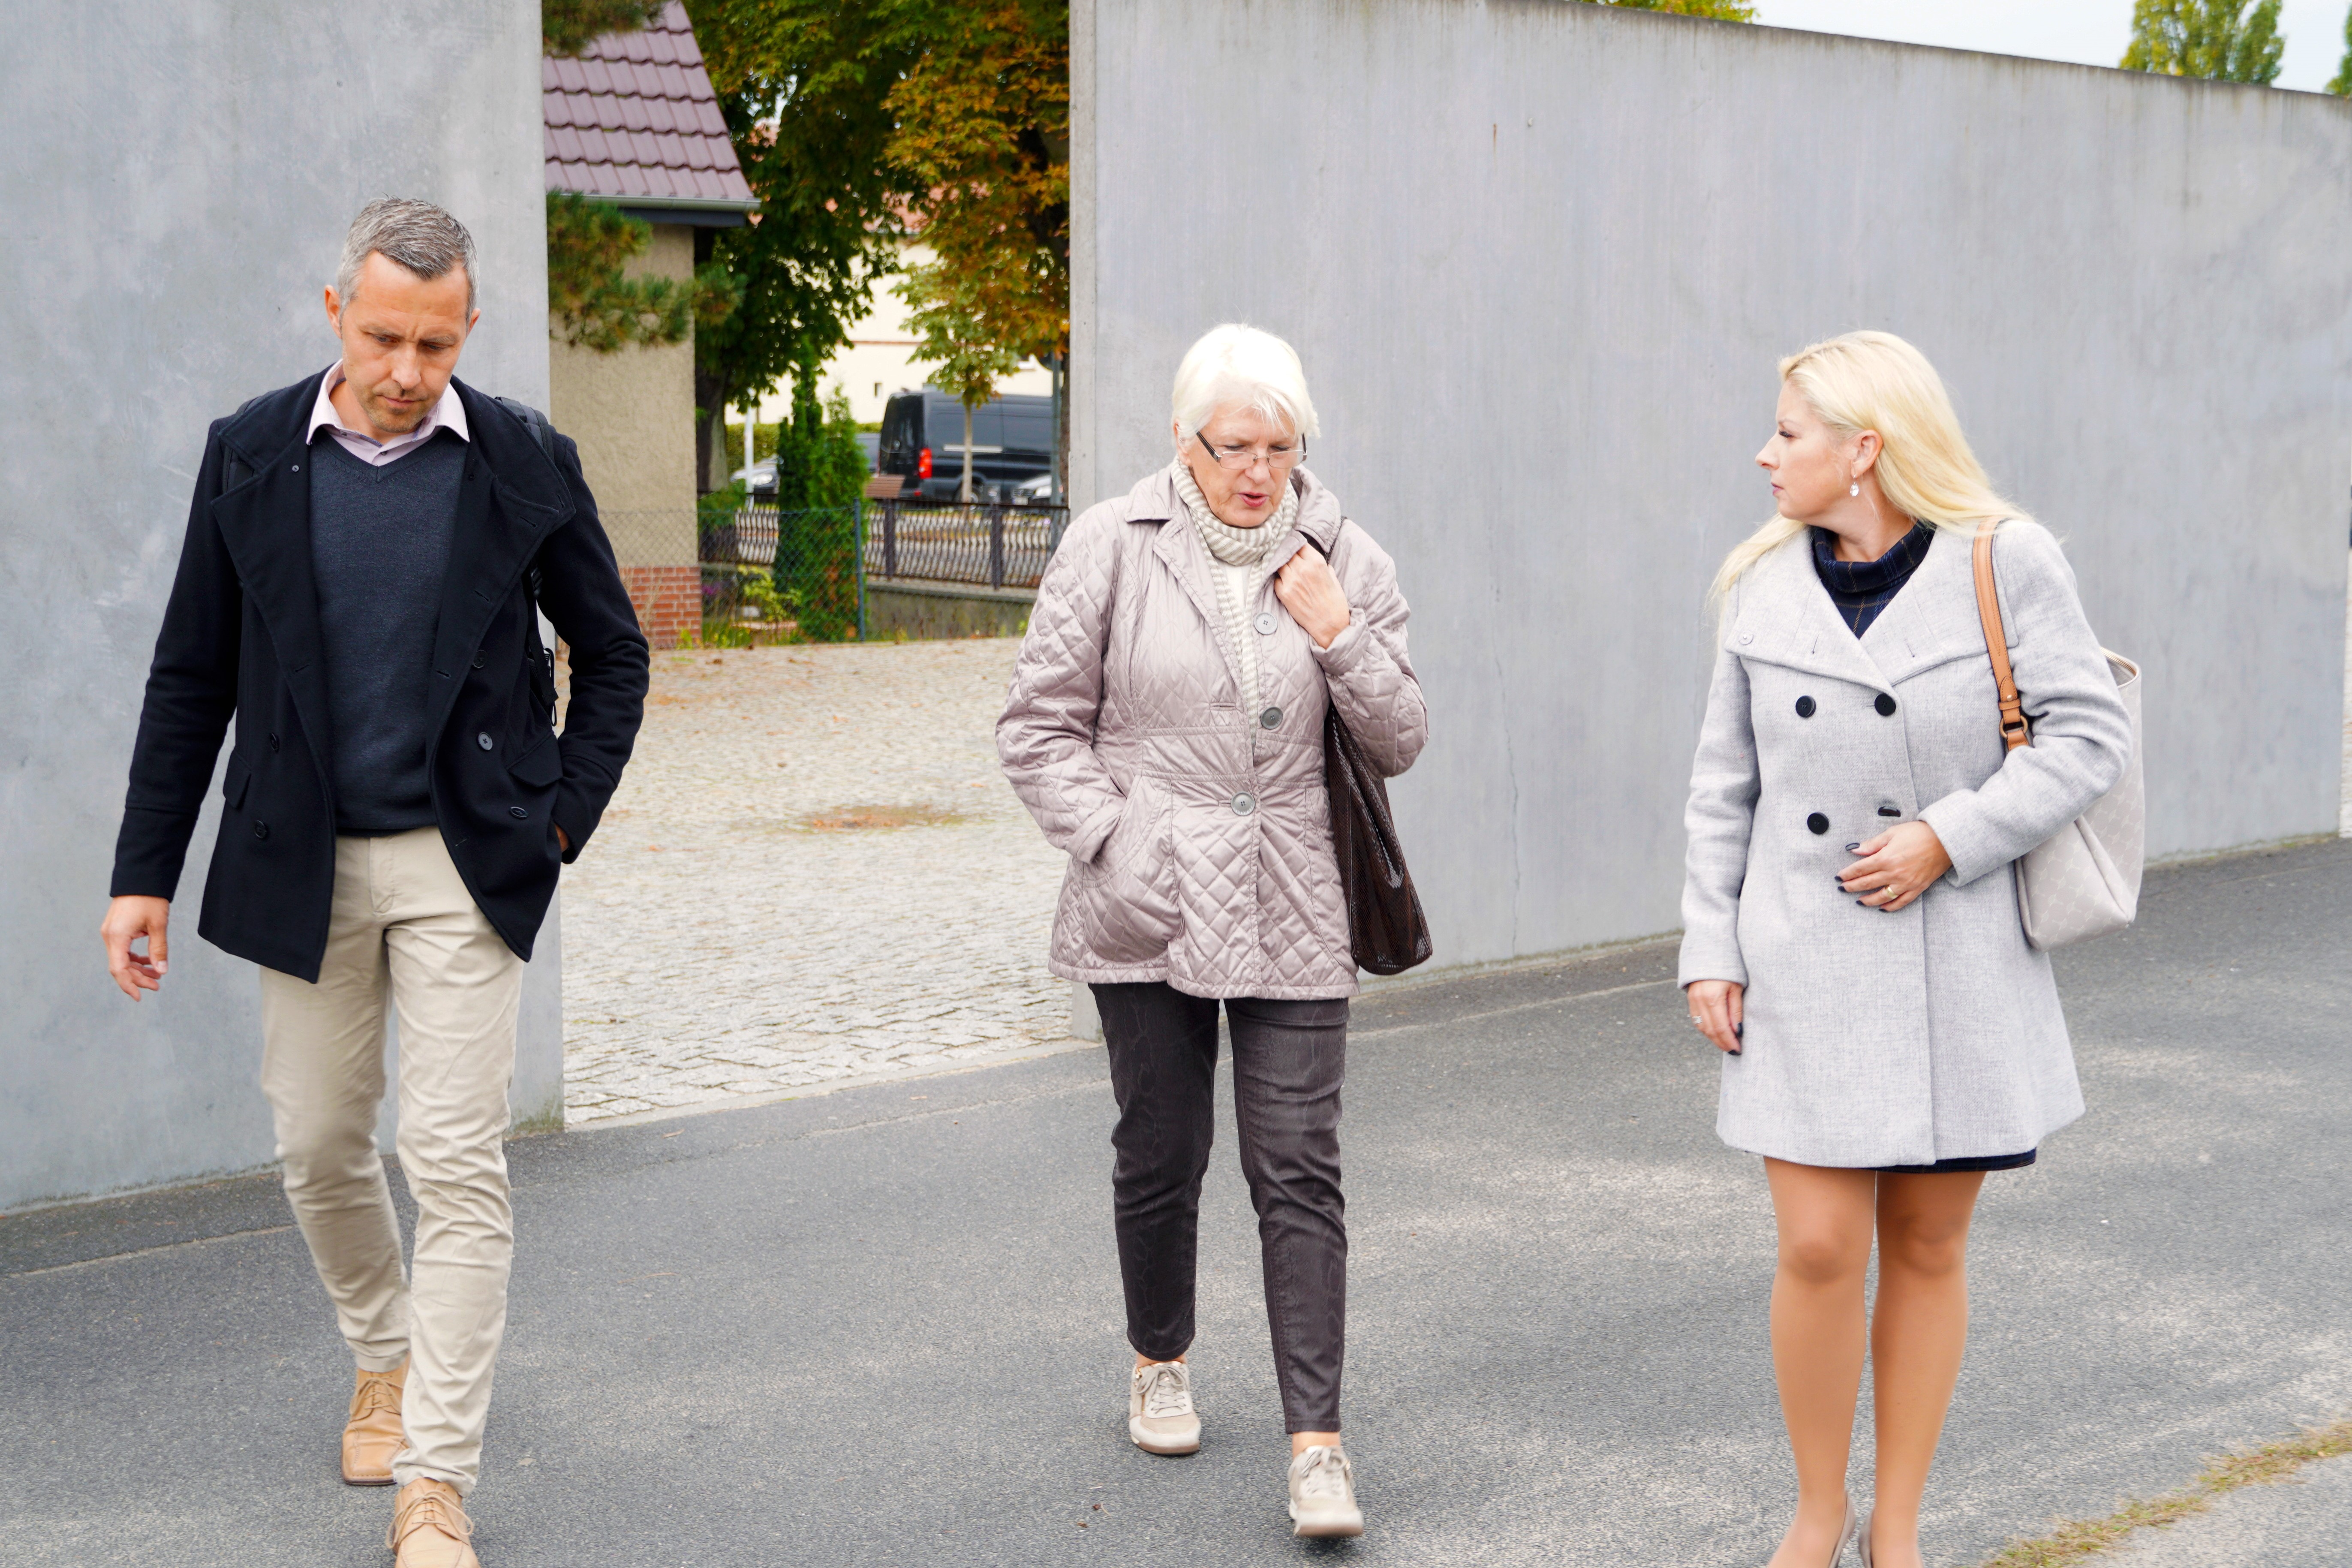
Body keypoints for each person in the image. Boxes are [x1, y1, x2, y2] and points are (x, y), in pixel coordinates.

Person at [99, 199, 649, 1568]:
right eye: (389, 336)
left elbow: (615, 652)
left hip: (467, 861)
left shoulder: (524, 457)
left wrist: (559, 821)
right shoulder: (250, 454)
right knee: (316, 1144)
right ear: (335, 309)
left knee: (454, 1160)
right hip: (304, 858)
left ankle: (436, 1480)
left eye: (439, 343)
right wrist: (142, 873)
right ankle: (384, 1353)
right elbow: (191, 676)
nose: (410, 370)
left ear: (470, 329)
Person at [1679, 331, 2132, 1568]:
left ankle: (1899, 1528)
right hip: (1804, 956)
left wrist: (1950, 835)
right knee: (1819, 1245)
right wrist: (1707, 944)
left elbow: (2088, 734)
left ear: (1864, 451)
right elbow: (1726, 786)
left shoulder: (2007, 559)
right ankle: (1816, 1512)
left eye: (1788, 432)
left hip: (1959, 955)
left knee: (1928, 1243)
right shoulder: (1760, 585)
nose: (1763, 453)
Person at [998, 323, 1426, 1539]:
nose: (1258, 469)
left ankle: (1319, 1447)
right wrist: (1120, 839)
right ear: (1182, 442)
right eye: (1234, 444)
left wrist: (1337, 626)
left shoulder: (1344, 550)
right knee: (1161, 1147)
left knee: (1298, 1167)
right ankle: (1161, 1351)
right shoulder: (1110, 546)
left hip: (1297, 888)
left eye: (1280, 445)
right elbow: (1036, 728)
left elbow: (1399, 739)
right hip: (1150, 892)